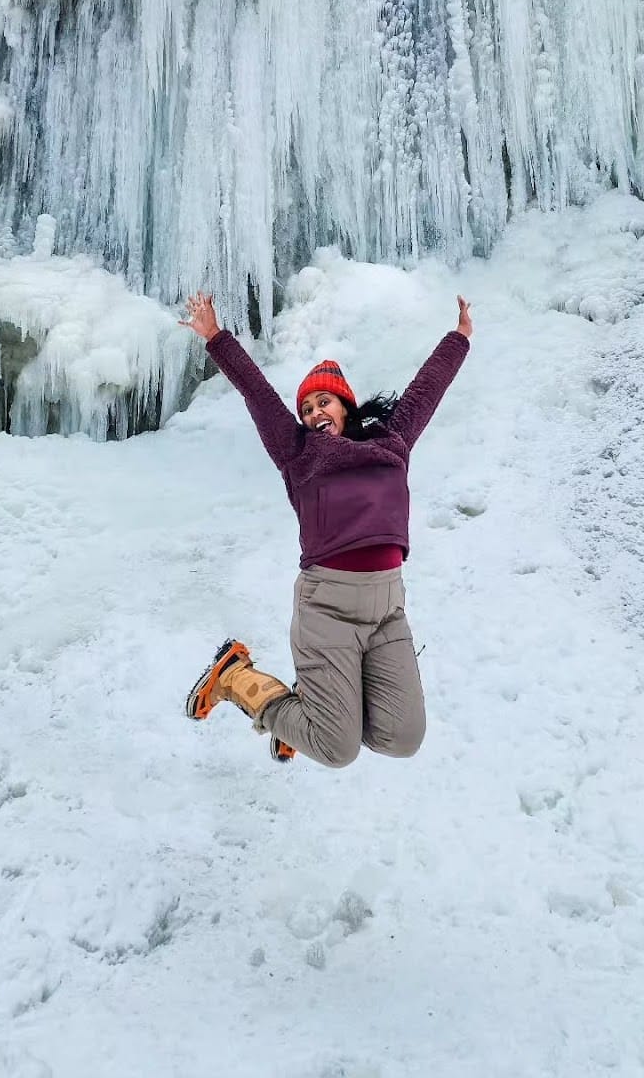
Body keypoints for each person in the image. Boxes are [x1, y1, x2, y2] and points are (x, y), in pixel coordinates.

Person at [180, 291, 472, 768]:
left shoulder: (392, 440)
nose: (315, 413)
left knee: (403, 738)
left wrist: (459, 338)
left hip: (387, 611)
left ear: (346, 407)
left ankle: (310, 709)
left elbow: (426, 390)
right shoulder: (298, 453)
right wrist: (215, 337)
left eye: (324, 402)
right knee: (338, 749)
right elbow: (258, 392)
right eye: (307, 408)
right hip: (327, 608)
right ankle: (235, 676)